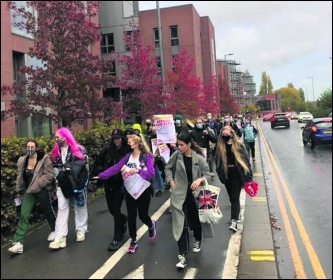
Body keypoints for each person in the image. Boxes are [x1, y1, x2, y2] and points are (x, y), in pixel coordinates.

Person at [93, 134, 156, 254]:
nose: (128, 143)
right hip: (130, 190)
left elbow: (151, 174)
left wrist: (138, 171)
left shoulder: (146, 156)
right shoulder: (127, 157)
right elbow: (116, 168)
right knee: (131, 216)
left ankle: (151, 224)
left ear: (137, 144)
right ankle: (133, 241)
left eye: (130, 142)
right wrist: (101, 176)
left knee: (143, 215)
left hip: (143, 191)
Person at [164, 132, 211, 269]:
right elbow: (167, 168)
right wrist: (171, 181)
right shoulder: (177, 156)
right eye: (178, 145)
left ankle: (198, 239)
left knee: (195, 220)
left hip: (195, 194)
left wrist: (199, 179)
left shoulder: (199, 158)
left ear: (189, 144)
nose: (179, 147)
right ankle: (183, 255)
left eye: (181, 145)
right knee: (181, 224)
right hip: (179, 194)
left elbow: (207, 173)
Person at [8, 139, 56, 254]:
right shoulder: (22, 160)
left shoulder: (44, 159)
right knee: (24, 214)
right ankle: (18, 242)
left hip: (41, 190)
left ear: (36, 147)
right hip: (28, 191)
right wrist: (19, 190)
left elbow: (50, 175)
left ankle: (55, 230)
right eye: (28, 146)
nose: (30, 148)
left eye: (32, 146)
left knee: (47, 210)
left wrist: (39, 183)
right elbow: (20, 176)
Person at [49, 127, 88, 249]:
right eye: (55, 137)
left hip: (76, 183)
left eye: (58, 137)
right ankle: (60, 236)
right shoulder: (55, 153)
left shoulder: (79, 149)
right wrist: (57, 183)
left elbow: (85, 167)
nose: (56, 139)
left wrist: (83, 183)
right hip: (62, 183)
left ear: (65, 136)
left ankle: (81, 229)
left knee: (79, 205)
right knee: (61, 208)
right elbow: (55, 169)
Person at [91, 129, 130, 251]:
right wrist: (99, 173)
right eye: (114, 138)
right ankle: (123, 220)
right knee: (112, 210)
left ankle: (117, 237)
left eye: (118, 138)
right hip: (109, 184)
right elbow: (98, 163)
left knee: (116, 210)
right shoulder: (108, 150)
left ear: (122, 138)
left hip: (120, 184)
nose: (116, 141)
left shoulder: (126, 151)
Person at [215, 126, 253, 233]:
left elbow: (245, 161)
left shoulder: (238, 145)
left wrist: (249, 177)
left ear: (232, 134)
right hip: (227, 175)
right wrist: (220, 174)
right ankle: (237, 214)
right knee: (232, 198)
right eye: (223, 135)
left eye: (227, 135)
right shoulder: (220, 147)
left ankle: (234, 221)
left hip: (237, 174)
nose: (225, 137)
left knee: (235, 197)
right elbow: (217, 162)